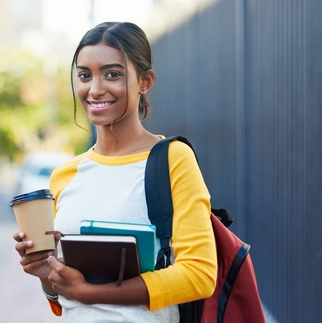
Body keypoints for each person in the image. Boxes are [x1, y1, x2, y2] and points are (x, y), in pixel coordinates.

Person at [13, 21, 217, 322]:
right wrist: (47, 274)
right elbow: (62, 301)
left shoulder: (172, 159)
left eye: (112, 74)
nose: (95, 89)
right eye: (84, 75)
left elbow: (199, 273)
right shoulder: (64, 175)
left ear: (145, 81)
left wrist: (92, 292)